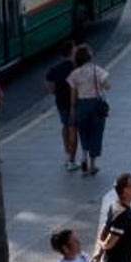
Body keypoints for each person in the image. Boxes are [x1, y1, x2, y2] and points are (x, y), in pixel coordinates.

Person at [66, 44, 109, 176]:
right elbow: (107, 84)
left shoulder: (74, 74)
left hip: (81, 106)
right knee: (96, 133)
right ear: (89, 57)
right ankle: (92, 165)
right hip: (95, 105)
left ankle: (83, 157)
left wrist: (73, 110)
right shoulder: (97, 70)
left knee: (83, 132)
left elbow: (73, 94)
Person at [44, 41, 78, 171]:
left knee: (65, 126)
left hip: (60, 102)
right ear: (71, 52)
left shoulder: (55, 69)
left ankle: (67, 154)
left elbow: (50, 86)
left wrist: (57, 91)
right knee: (73, 129)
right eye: (74, 49)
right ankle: (72, 160)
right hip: (73, 103)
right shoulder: (75, 68)